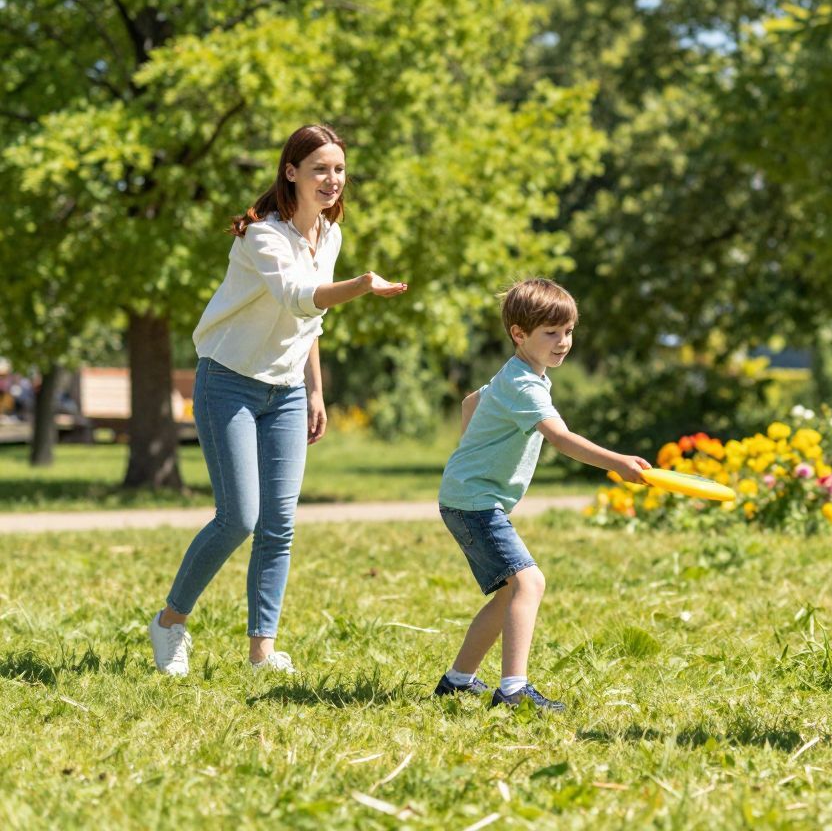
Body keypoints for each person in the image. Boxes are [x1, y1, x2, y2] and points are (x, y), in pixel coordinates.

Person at [149, 124, 409, 677]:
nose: (332, 180)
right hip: (229, 381)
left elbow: (309, 323)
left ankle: (262, 652)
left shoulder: (329, 235)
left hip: (287, 390)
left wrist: (315, 390)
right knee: (239, 517)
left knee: (279, 524)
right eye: (320, 169)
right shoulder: (262, 235)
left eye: (339, 169)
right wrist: (363, 285)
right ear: (291, 172)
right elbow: (298, 298)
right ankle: (170, 623)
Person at [433, 278, 651, 709]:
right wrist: (618, 463)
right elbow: (561, 439)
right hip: (474, 502)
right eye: (551, 333)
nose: (563, 342)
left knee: (508, 593)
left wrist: (470, 455)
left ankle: (457, 681)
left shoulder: (520, 374)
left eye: (568, 331)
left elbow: (470, 403)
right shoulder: (525, 385)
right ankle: (513, 690)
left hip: (466, 496)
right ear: (519, 334)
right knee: (529, 582)